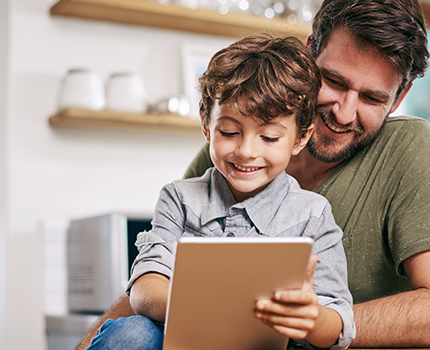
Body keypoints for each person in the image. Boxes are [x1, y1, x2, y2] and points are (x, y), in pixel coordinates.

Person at [73, 0, 430, 348]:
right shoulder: (225, 162)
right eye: (334, 81)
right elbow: (154, 274)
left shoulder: (405, 147)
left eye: (373, 97)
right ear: (308, 56)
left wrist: (302, 323)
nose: (343, 112)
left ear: (399, 98)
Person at [85, 34, 355, 350]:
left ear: (299, 138)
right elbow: (146, 289)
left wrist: (313, 319)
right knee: (131, 334)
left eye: (269, 138)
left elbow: (337, 325)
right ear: (206, 125)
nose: (246, 151)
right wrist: (217, 309)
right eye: (229, 132)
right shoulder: (180, 199)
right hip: (183, 341)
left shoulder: (312, 215)